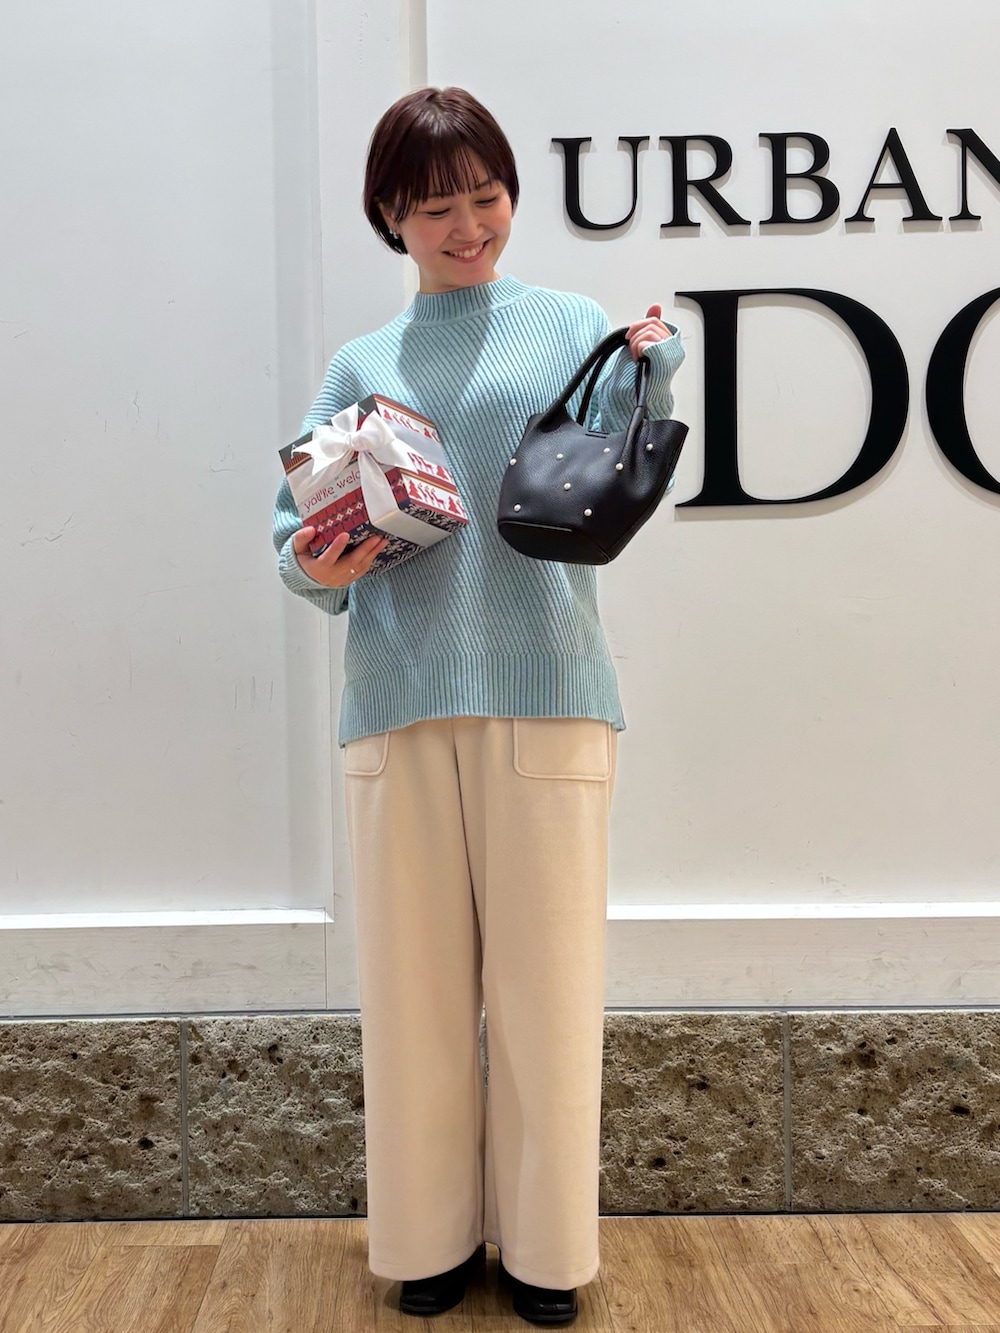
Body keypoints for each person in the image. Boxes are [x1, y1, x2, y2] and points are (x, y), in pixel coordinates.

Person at [272, 86, 684, 1327]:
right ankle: (429, 1240)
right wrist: (326, 558)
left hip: (547, 691)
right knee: (413, 998)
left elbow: (621, 462)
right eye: (436, 206)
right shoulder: (362, 364)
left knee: (551, 992)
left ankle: (549, 1252)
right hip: (398, 699)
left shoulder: (567, 324)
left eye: (487, 197)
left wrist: (652, 372)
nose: (468, 226)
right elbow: (298, 546)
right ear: (389, 216)